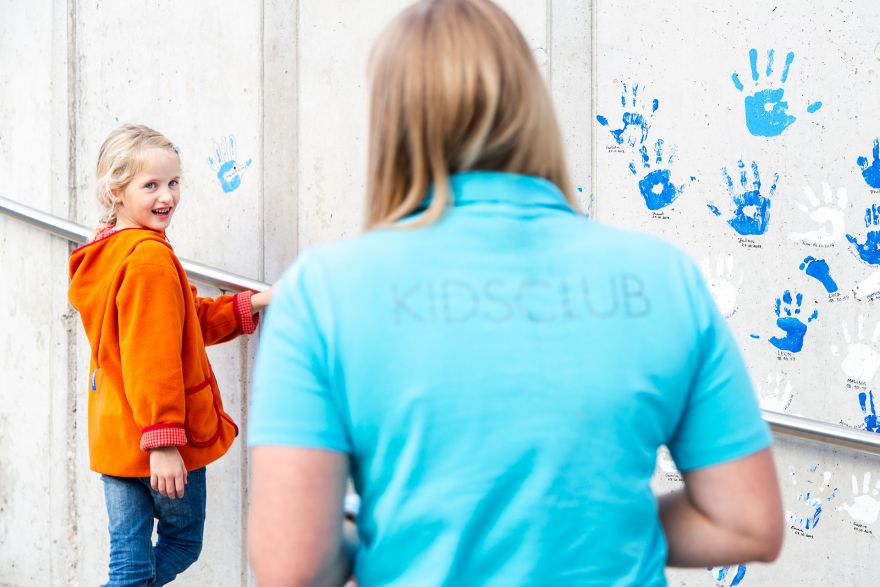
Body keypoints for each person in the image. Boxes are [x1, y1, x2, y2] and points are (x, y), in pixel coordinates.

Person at [247, 0, 783, 585]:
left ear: (392, 125)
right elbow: (745, 522)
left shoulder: (321, 294)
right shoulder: (664, 277)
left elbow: (291, 566)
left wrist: (386, 532)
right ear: (533, 109)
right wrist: (600, 527)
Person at [68, 124, 273, 586]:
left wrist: (250, 303)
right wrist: (163, 443)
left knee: (129, 563)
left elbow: (176, 325)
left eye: (174, 182)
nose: (168, 196)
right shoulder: (149, 260)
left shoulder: (108, 253)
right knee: (179, 544)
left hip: (116, 435)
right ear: (115, 192)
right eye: (151, 185)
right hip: (158, 440)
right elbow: (153, 356)